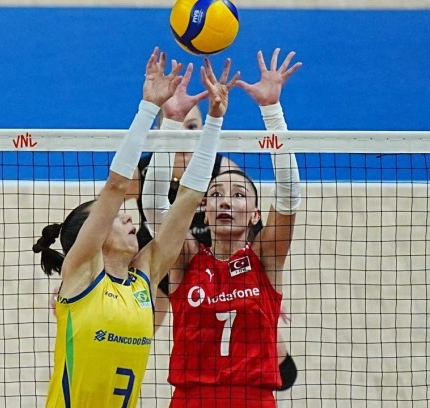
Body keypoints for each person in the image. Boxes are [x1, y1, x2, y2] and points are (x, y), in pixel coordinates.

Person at [32, 47, 240, 408]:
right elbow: (116, 187)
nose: (129, 217)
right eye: (116, 218)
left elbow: (189, 197)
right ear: (92, 236)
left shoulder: (145, 277)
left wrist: (213, 122)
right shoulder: (81, 273)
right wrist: (149, 109)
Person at [141, 48, 302, 407]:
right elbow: (153, 204)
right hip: (191, 399)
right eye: (216, 195)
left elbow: (289, 196)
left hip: (253, 399)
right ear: (204, 208)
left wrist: (272, 111)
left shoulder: (267, 258)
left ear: (256, 214)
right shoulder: (185, 258)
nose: (226, 201)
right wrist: (170, 122)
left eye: (239, 195)